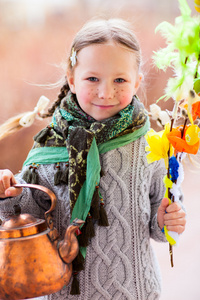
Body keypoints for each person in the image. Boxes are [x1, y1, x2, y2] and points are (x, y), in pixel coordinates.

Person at [0, 18, 186, 300]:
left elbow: (161, 227)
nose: (105, 92)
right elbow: (26, 214)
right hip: (67, 294)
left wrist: (168, 221)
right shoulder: (49, 146)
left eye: (120, 80)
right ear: (72, 79)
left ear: (137, 81)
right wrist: (7, 192)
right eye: (92, 79)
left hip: (136, 291)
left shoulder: (153, 147)